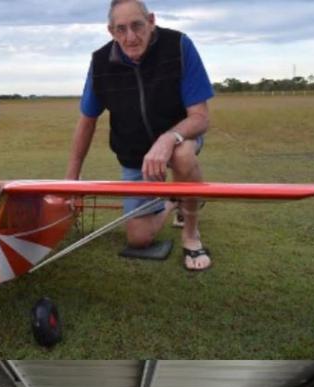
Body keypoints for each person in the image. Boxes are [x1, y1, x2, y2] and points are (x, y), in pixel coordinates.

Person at [68, 0, 215, 271]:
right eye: (121, 29)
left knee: (182, 155)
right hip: (135, 155)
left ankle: (191, 236)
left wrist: (168, 138)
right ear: (111, 31)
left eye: (137, 25)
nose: (131, 37)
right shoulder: (100, 62)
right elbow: (87, 121)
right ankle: (174, 200)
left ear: (151, 21)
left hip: (180, 139)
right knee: (138, 239)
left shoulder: (179, 46)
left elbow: (200, 117)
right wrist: (71, 181)